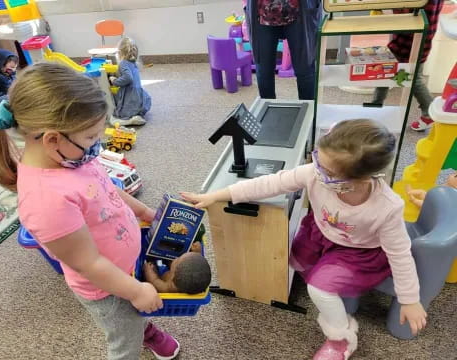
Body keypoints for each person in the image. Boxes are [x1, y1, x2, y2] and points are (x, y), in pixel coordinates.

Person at [181, 119, 427, 360]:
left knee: (318, 288)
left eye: (328, 172)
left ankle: (341, 339)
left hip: (359, 252)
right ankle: (335, 294)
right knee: (297, 262)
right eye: (318, 159)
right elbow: (271, 183)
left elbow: (400, 254)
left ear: (362, 179)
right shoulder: (315, 172)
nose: (317, 171)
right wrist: (218, 195)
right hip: (321, 235)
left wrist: (410, 300)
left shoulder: (387, 207)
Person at [0, 63, 179, 360]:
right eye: (91, 138)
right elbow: (89, 264)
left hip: (123, 267)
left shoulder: (70, 157)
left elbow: (105, 187)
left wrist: (143, 210)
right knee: (123, 340)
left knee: (135, 313)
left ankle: (144, 328)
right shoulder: (45, 201)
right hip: (107, 289)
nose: (96, 146)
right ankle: (135, 332)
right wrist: (135, 291)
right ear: (52, 138)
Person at [372, 0, 444, 131]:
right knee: (389, 72)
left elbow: (405, 14)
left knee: (409, 78)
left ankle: (429, 112)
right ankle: (375, 106)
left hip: (409, 42)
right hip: (419, 40)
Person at [243, 0, 322, 100]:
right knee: (264, 70)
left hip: (302, 9)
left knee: (305, 68)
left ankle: (309, 112)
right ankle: (268, 111)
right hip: (261, 10)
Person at [110, 37, 151, 126]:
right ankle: (137, 115)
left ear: (119, 52)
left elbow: (128, 78)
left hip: (130, 95)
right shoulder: (133, 62)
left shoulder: (123, 63)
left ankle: (129, 120)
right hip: (139, 95)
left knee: (117, 116)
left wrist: (115, 81)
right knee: (135, 105)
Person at [143, 241, 211, 294]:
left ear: (173, 275)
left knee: (156, 263)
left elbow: (154, 281)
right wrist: (197, 252)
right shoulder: (186, 279)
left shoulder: (169, 288)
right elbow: (196, 265)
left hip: (162, 272)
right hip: (176, 270)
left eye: (178, 259)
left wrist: (149, 271)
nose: (177, 258)